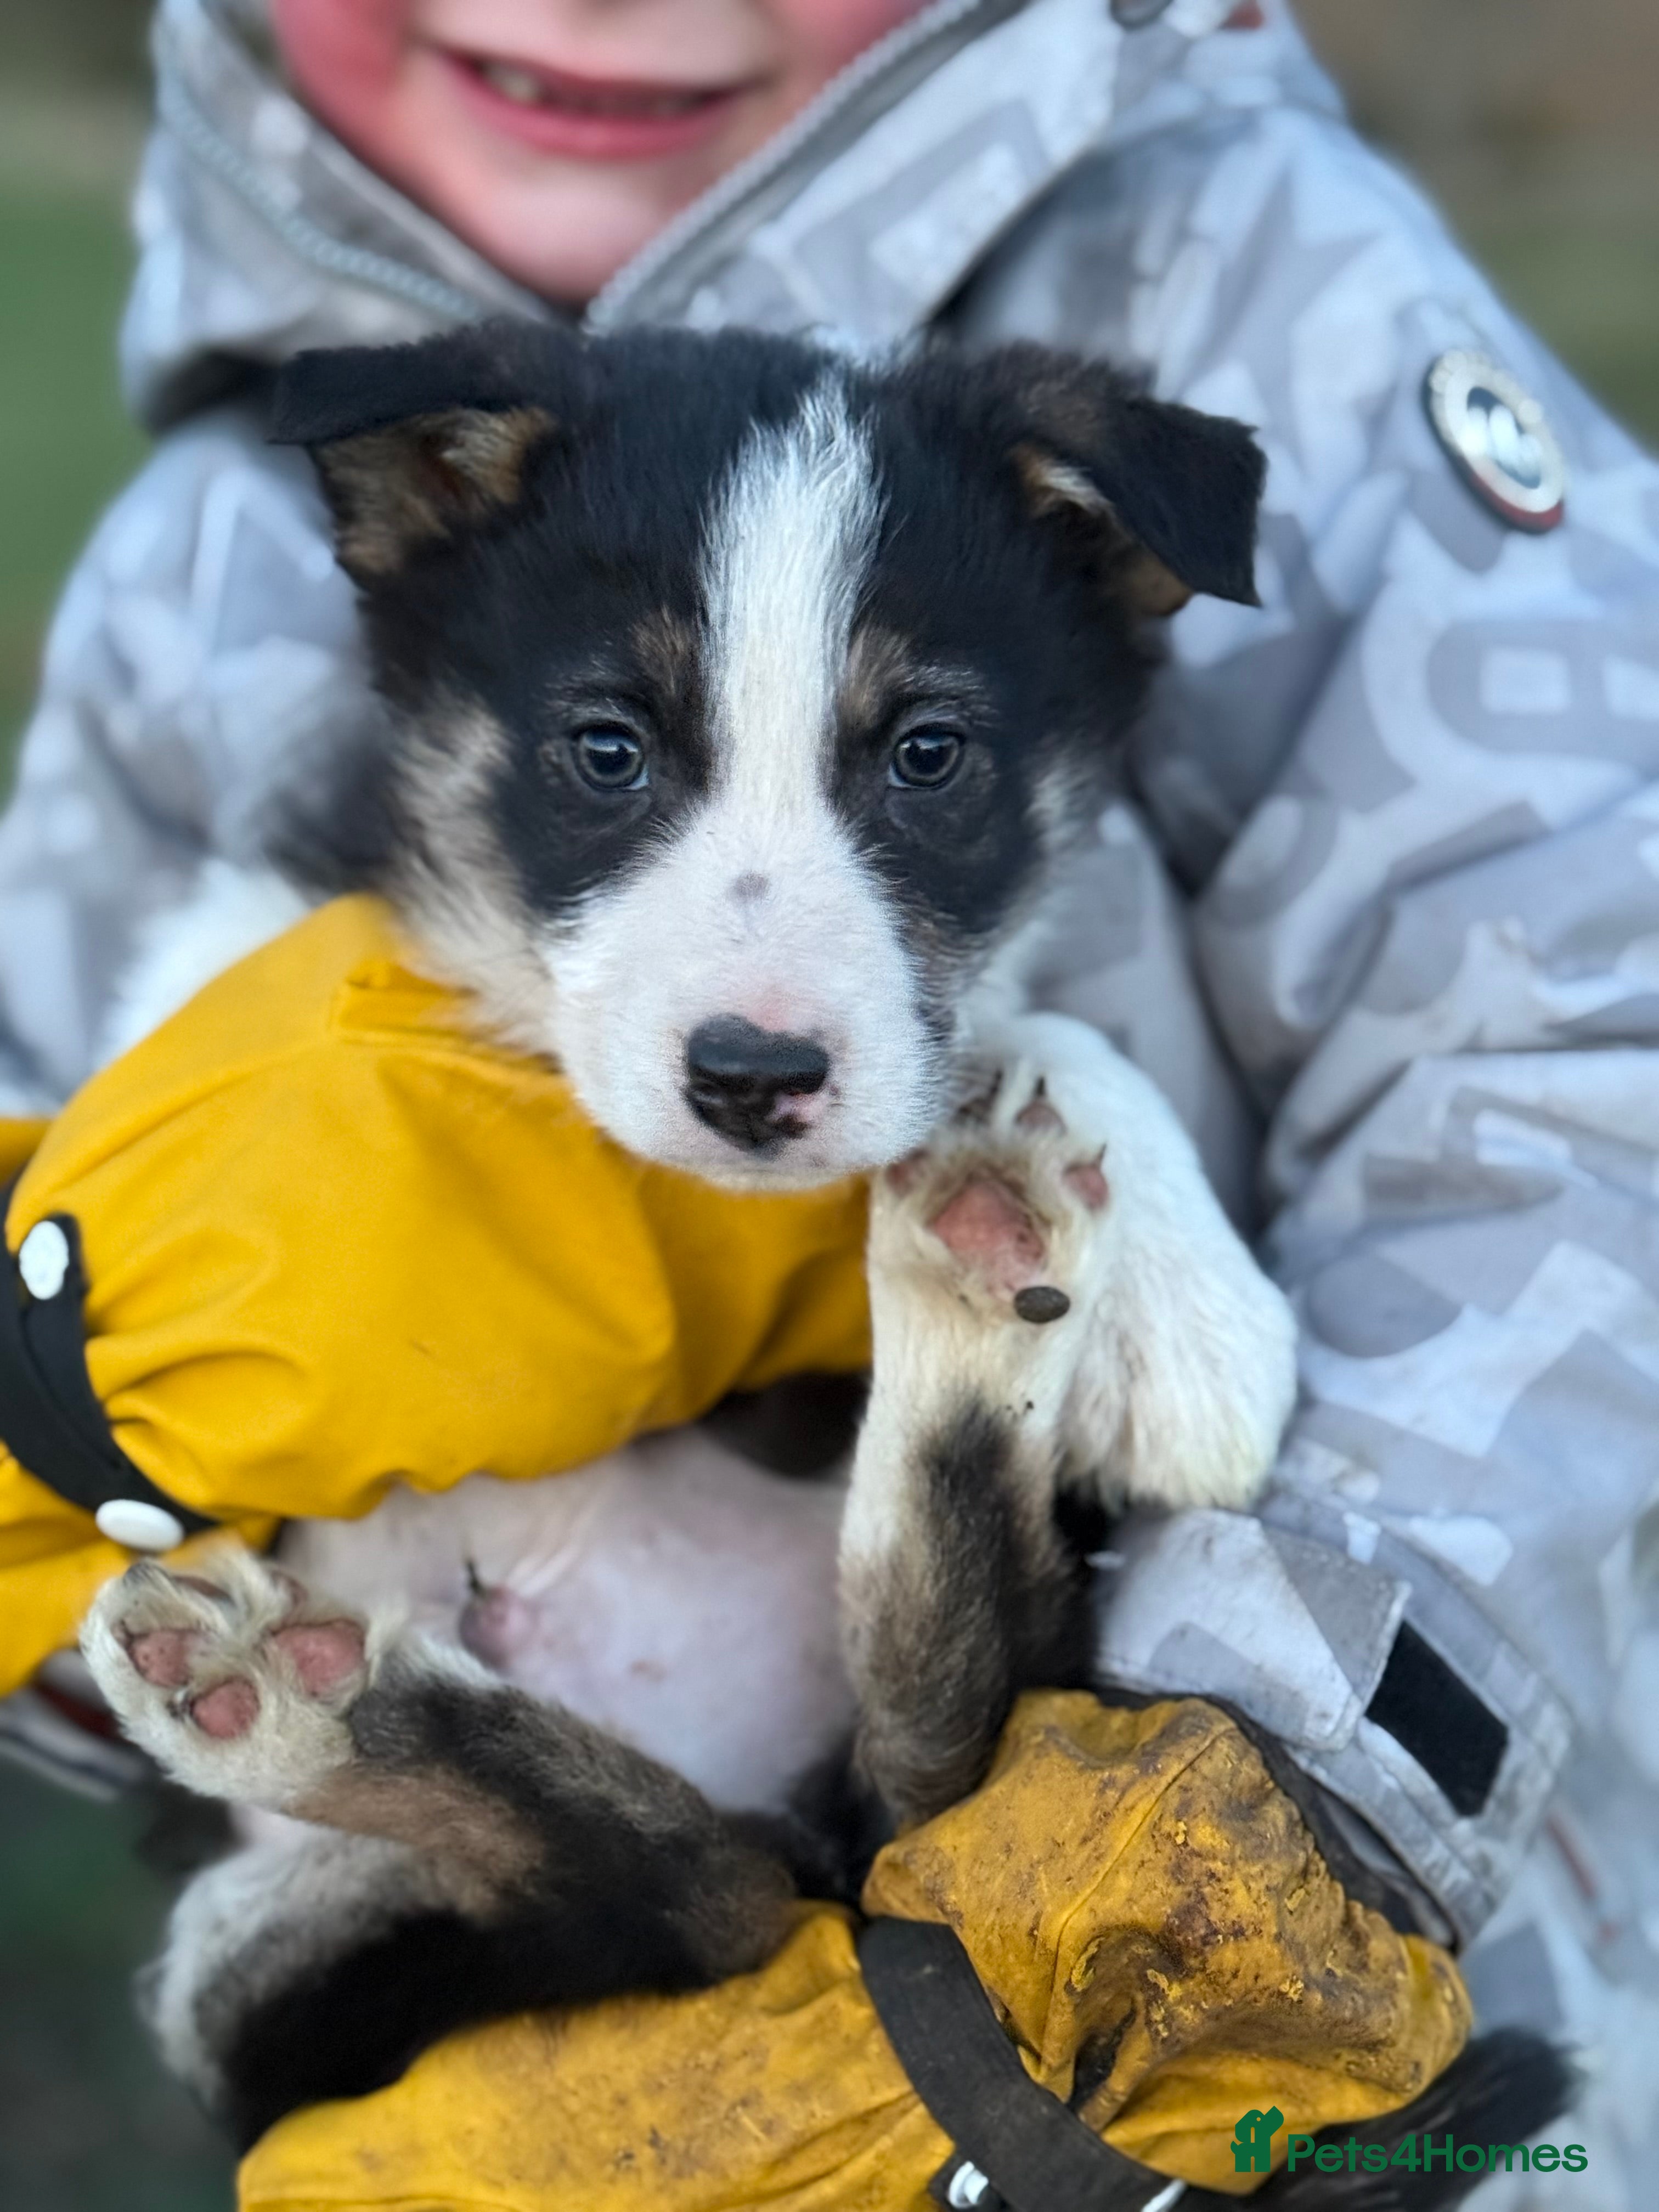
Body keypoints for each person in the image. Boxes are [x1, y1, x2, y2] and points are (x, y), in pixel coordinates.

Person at [1, 1, 1657, 2201]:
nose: (765, 995)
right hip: (473, 1903)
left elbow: (1577, 1043)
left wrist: (1273, 1824)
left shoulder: (1274, 298)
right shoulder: (194, 573)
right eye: (615, 757)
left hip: (1189, 1924)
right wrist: (73, 1432)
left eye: (926, 761)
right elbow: (65, 1465)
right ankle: (559, 1833)